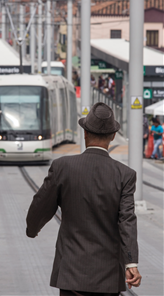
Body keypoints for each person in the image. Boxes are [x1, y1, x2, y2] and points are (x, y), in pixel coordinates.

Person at [26, 102, 142, 296]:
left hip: (72, 273)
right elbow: (127, 221)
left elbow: (41, 205)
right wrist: (131, 263)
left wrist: (32, 228)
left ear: (85, 133)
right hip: (108, 276)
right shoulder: (125, 174)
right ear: (113, 136)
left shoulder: (63, 166)